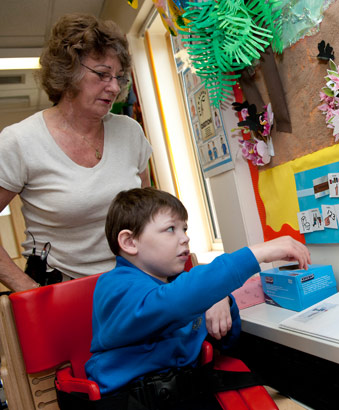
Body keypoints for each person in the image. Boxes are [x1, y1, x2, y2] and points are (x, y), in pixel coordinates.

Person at [85, 187, 311, 409]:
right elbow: (171, 303)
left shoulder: (177, 284)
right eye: (171, 229)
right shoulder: (115, 286)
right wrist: (256, 254)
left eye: (185, 228)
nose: (185, 238)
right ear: (130, 242)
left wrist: (222, 299)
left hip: (184, 391)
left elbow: (225, 338)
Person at [0, 13, 153, 292]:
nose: (115, 87)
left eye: (118, 77)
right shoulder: (19, 141)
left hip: (132, 281)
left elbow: (149, 210)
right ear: (68, 71)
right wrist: (26, 289)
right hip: (60, 288)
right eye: (102, 74)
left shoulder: (130, 132)